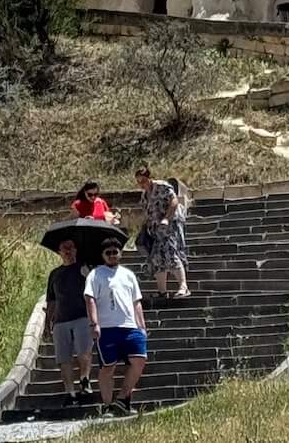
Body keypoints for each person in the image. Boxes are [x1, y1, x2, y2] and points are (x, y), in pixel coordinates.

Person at [87, 237, 149, 414]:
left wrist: (142, 326)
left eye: (115, 252)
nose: (113, 255)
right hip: (107, 328)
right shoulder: (96, 274)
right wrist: (94, 323)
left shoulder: (128, 274)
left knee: (139, 359)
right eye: (109, 253)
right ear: (102, 255)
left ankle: (122, 398)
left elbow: (137, 301)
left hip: (130, 326)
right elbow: (89, 298)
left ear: (120, 253)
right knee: (108, 367)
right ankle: (107, 406)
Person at [46, 237, 95, 402]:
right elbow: (51, 300)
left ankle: (85, 379)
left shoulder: (84, 268)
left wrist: (87, 274)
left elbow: (93, 290)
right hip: (61, 320)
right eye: (64, 248)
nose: (68, 251)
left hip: (82, 316)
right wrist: (47, 323)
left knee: (84, 352)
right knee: (64, 358)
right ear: (59, 252)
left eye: (71, 247)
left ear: (75, 250)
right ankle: (70, 392)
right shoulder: (54, 274)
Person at [135, 164, 190, 297]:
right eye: (138, 182)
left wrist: (167, 218)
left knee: (171, 254)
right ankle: (162, 291)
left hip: (169, 227)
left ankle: (184, 286)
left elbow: (174, 201)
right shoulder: (144, 196)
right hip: (155, 231)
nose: (141, 184)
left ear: (150, 178)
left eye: (143, 180)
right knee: (157, 259)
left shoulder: (162, 186)